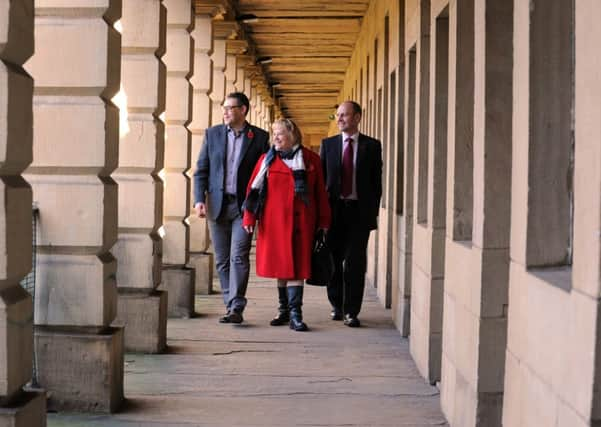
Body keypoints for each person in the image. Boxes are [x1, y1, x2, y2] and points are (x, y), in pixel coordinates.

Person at [242, 118, 331, 331]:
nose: (276, 138)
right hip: (274, 224)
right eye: (274, 134)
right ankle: (283, 310)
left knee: (296, 268)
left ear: (292, 135)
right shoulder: (266, 160)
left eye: (280, 133)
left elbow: (320, 194)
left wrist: (324, 221)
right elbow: (252, 191)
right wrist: (249, 218)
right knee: (281, 267)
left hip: (302, 223)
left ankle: (295, 314)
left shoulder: (311, 160)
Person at [193, 92, 270, 324]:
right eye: (223, 107)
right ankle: (230, 305)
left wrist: (258, 207)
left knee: (239, 256)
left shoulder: (259, 137)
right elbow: (201, 170)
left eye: (230, 107)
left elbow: (263, 176)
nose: (225, 111)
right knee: (223, 259)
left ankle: (236, 304)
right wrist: (199, 199)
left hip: (243, 206)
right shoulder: (212, 134)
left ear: (243, 110)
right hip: (216, 204)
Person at [320, 101, 382, 327]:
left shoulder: (372, 146)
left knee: (355, 262)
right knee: (334, 261)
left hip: (359, 212)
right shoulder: (328, 145)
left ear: (357, 117)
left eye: (345, 115)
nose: (340, 119)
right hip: (334, 212)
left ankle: (351, 311)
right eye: (337, 115)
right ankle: (336, 304)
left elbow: (377, 183)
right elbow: (321, 182)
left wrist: (371, 213)